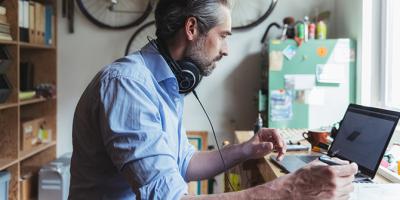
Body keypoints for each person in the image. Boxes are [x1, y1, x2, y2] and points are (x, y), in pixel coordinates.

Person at [68, 0, 358, 199]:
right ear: (192, 28)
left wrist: (246, 149)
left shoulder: (166, 84)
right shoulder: (128, 86)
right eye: (223, 36)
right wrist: (287, 190)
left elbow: (183, 163)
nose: (227, 49)